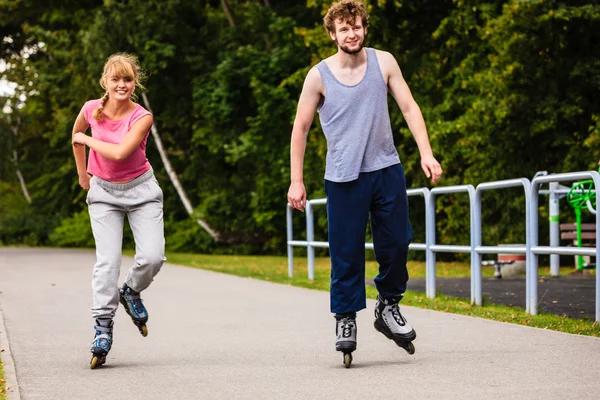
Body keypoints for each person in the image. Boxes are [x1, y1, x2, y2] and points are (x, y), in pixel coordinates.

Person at [287, 0, 442, 365]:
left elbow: (409, 107)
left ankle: (388, 306)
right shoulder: (318, 76)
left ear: (364, 28)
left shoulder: (383, 62)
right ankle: (345, 319)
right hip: (342, 177)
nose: (351, 33)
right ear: (332, 34)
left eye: (356, 26)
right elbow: (301, 128)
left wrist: (426, 152)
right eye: (344, 28)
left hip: (386, 168)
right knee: (346, 252)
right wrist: (296, 180)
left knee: (397, 241)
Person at [71, 53, 166, 369]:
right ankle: (102, 327)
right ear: (105, 82)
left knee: (153, 256)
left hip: (142, 191)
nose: (122, 84)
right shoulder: (90, 109)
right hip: (104, 195)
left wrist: (86, 138)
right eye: (116, 79)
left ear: (133, 82)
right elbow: (75, 139)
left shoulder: (142, 117)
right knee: (107, 261)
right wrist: (83, 174)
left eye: (127, 79)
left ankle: (131, 290)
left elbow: (121, 151)